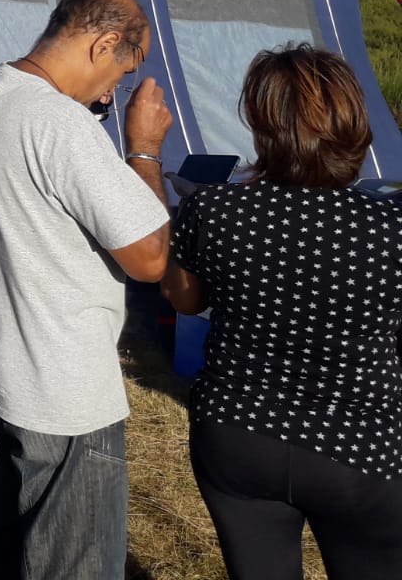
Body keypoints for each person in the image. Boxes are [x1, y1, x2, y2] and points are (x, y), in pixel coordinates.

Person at [0, 0, 173, 579]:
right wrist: (143, 151)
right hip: (63, 390)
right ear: (103, 44)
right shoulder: (60, 127)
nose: (119, 86)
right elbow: (150, 258)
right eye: (127, 65)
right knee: (75, 560)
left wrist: (88, 111)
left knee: (1, 537)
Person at [163, 45, 402, 579]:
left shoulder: (213, 209)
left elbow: (185, 299)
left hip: (238, 435)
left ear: (262, 124)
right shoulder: (390, 228)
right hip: (359, 448)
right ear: (353, 124)